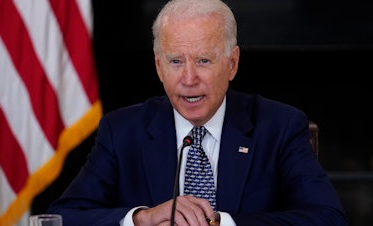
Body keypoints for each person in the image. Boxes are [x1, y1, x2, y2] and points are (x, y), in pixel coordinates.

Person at [47, 0, 348, 225]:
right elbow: (62, 217)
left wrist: (222, 223)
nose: (189, 79)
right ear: (158, 66)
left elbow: (328, 218)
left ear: (232, 64)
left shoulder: (279, 127)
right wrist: (141, 219)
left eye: (203, 60)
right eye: (176, 61)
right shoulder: (122, 130)